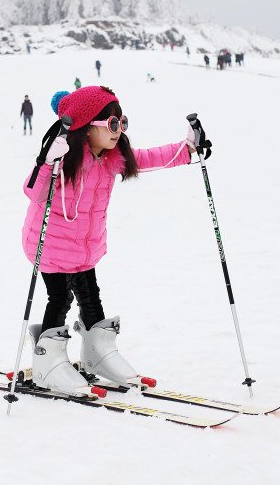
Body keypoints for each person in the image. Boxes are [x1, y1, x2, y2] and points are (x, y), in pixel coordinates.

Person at [21, 85, 202, 397]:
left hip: (85, 248)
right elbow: (33, 192)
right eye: (112, 124)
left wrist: (188, 150)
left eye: (122, 122)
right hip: (51, 246)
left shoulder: (111, 158)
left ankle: (98, 353)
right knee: (60, 299)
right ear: (88, 127)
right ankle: (47, 361)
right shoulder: (64, 159)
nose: (119, 130)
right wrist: (47, 162)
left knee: (91, 298)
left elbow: (148, 157)